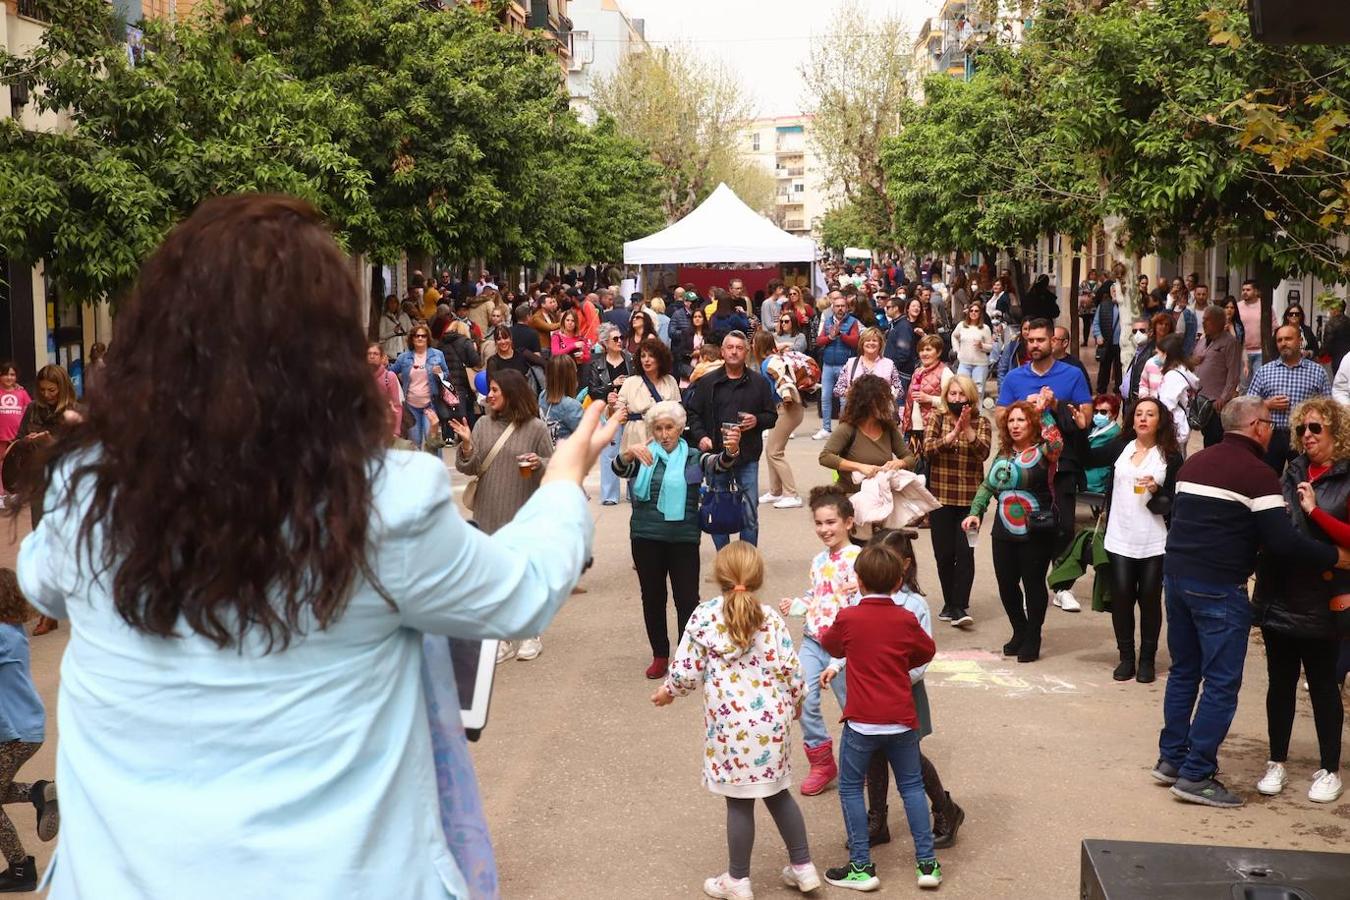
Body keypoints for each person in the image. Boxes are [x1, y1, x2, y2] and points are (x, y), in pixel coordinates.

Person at [14, 195, 620, 899]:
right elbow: (520, 591)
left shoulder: (90, 490)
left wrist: (111, 443)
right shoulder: (384, 500)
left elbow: (42, 581)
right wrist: (564, 483)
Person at [1153, 396, 1349, 808]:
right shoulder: (1258, 474)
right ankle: (1196, 773)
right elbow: (1280, 540)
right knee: (1221, 684)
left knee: (1185, 673)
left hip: (1178, 579)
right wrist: (1333, 556)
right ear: (1257, 427)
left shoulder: (1195, 463)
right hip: (1219, 587)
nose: (1292, 434)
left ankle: (1172, 760)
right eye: (1280, 425)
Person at [653, 542, 819, 900]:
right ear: (757, 577)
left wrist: (669, 691)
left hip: (731, 731)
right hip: (772, 724)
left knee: (740, 801)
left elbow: (685, 671)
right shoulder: (770, 617)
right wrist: (798, 701)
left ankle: (738, 879)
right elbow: (791, 667)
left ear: (718, 576)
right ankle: (804, 869)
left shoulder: (703, 616)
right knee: (778, 794)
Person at [818, 544, 941, 893]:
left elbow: (832, 645)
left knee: (852, 789)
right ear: (898, 581)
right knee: (913, 788)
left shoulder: (849, 616)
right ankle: (927, 863)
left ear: (857, 580)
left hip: (861, 721)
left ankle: (861, 865)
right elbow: (926, 650)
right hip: (902, 718)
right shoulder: (905, 618)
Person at [1252, 397, 1347, 804]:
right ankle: (1277, 760)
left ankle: (1329, 768)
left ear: (1337, 434)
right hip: (1281, 591)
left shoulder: (1345, 479)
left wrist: (1313, 511)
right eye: (1302, 429)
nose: (1306, 436)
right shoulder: (1290, 471)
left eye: (1315, 429)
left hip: (1325, 597)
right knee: (1280, 683)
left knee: (1325, 686)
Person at [616, 402, 738, 679]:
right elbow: (619, 470)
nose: (663, 434)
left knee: (687, 600)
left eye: (669, 427)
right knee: (653, 598)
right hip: (645, 537)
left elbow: (719, 464)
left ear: (680, 428)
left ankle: (687, 656)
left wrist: (731, 450)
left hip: (683, 538)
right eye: (657, 428)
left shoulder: (693, 456)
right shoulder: (645, 455)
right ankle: (660, 655)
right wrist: (627, 454)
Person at [451, 369, 555, 662]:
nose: (490, 395)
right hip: (488, 512)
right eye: (490, 390)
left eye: (496, 390)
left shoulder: (535, 428)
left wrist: (539, 463)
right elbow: (470, 468)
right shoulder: (483, 424)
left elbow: (555, 467)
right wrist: (468, 444)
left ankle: (531, 634)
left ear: (512, 392)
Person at [1087, 398, 1183, 683]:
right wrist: (1079, 426)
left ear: (1160, 420)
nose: (1143, 419)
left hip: (1154, 539)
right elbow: (1087, 458)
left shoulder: (1170, 455)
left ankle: (1148, 659)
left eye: (1150, 414)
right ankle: (1126, 657)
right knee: (1122, 598)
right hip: (1120, 535)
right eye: (1138, 414)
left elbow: (1178, 499)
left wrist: (1158, 489)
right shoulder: (1121, 446)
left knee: (1150, 600)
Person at [962, 400, 1063, 663]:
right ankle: (1019, 629)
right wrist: (975, 511)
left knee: (1032, 583)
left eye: (1021, 420)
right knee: (1006, 585)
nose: (1015, 425)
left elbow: (1057, 443)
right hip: (1003, 530)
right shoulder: (1004, 453)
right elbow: (987, 485)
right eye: (1011, 421)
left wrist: (1044, 412)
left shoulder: (1044, 450)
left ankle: (1033, 635)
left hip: (1036, 528)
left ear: (1032, 423)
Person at [778, 486, 861, 797]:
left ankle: (860, 762)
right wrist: (799, 604)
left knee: (852, 707)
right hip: (814, 642)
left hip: (846, 648)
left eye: (831, 522)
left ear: (848, 523)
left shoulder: (860, 559)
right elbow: (818, 595)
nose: (824, 530)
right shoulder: (817, 560)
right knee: (802, 698)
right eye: (819, 523)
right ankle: (822, 763)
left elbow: (868, 601)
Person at [685, 331, 778, 549]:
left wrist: (757, 420)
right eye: (730, 347)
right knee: (718, 511)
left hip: (747, 457)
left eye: (739, 348)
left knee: (749, 512)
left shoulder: (759, 383)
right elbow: (692, 413)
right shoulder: (707, 382)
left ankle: (747, 561)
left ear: (746, 352)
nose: (734, 351)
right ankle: (725, 560)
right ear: (722, 351)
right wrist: (701, 437)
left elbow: (772, 416)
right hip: (716, 456)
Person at [0, 568, 58, 893]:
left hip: (14, 734)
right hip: (25, 728)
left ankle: (20, 868)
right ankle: (39, 792)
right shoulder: (13, 629)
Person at [922, 376, 991, 626]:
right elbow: (927, 450)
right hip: (940, 498)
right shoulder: (936, 418)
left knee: (964, 552)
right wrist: (951, 435)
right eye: (952, 394)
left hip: (970, 501)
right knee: (944, 553)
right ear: (945, 396)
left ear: (971, 398)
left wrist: (968, 430)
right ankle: (949, 602)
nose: (957, 399)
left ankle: (960, 606)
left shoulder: (982, 422)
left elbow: (983, 452)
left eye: (962, 395)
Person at [820, 375, 916, 505]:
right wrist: (860, 467)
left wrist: (899, 463)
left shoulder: (889, 428)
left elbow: (909, 458)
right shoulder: (848, 428)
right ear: (866, 402)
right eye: (882, 400)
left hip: (881, 499)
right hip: (850, 498)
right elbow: (825, 457)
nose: (887, 405)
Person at [1247, 324, 1330, 473]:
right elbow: (1248, 405)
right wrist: (1266, 404)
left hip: (1303, 434)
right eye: (1279, 340)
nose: (1283, 343)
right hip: (1272, 435)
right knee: (1267, 477)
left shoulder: (1317, 372)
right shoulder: (1265, 371)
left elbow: (1327, 408)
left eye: (1288, 339)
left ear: (1299, 340)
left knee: (1303, 478)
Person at [753, 332, 805, 510]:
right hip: (788, 409)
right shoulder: (775, 358)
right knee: (771, 450)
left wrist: (786, 396)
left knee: (775, 451)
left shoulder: (769, 363)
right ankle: (776, 490)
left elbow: (783, 382)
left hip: (787, 408)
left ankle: (791, 494)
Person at [616, 337, 680, 457]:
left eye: (651, 356)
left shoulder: (670, 381)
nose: (646, 360)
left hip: (663, 435)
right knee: (636, 472)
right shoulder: (630, 382)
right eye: (643, 356)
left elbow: (678, 413)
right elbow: (617, 411)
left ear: (660, 359)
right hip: (636, 435)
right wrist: (611, 405)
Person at [1192, 305, 1242, 447]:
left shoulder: (1230, 343)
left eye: (1208, 320)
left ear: (1219, 322)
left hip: (1216, 403)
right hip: (1200, 400)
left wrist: (1223, 397)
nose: (1203, 323)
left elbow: (1233, 374)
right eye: (1203, 319)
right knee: (1205, 437)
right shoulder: (1201, 341)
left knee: (1214, 439)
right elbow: (1192, 363)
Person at [813, 293, 861, 440]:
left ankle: (843, 429)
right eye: (837, 306)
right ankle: (826, 428)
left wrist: (841, 335)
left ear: (847, 308)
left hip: (845, 365)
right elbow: (819, 341)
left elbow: (856, 341)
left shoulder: (853, 322)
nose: (840, 309)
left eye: (842, 306)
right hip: (828, 365)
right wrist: (830, 337)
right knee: (825, 397)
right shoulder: (827, 321)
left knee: (844, 399)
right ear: (832, 308)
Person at [903, 335, 954, 455]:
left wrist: (930, 399)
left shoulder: (945, 373)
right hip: (913, 428)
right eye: (921, 350)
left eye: (928, 350)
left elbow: (952, 402)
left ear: (939, 352)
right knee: (915, 468)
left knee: (928, 468)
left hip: (932, 428)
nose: (924, 353)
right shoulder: (918, 371)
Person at [834, 327, 903, 406]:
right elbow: (838, 389)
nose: (871, 343)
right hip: (856, 411)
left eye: (874, 340)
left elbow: (899, 390)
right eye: (867, 340)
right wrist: (852, 393)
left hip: (882, 412)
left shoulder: (889, 364)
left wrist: (887, 396)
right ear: (862, 343)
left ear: (880, 344)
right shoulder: (851, 363)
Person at [1154, 334, 1201, 447]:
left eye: (1158, 353)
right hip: (1181, 426)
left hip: (1172, 429)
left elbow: (1166, 406)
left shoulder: (1173, 376)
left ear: (1166, 354)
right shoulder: (1184, 371)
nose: (1156, 357)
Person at [951, 302, 993, 403]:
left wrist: (981, 346)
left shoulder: (985, 328)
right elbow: (954, 336)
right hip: (964, 363)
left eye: (976, 311)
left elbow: (990, 347)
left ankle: (977, 415)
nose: (973, 313)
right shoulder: (961, 325)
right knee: (961, 388)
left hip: (980, 364)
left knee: (978, 392)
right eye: (971, 310)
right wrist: (957, 350)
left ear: (980, 313)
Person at [1082, 394, 1123, 494]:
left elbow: (1088, 454)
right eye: (1096, 411)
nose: (1098, 415)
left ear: (1113, 415)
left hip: (1097, 480)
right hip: (1088, 473)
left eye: (1103, 412)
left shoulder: (1114, 433)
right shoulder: (1094, 428)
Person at [1237, 279, 1273, 388]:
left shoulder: (1265, 307)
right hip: (1243, 352)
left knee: (1259, 384)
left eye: (1248, 290)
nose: (1245, 292)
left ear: (1256, 291)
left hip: (1260, 352)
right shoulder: (1238, 307)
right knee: (1244, 385)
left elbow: (1274, 326)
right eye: (1243, 290)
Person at [539, 355, 584, 443]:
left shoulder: (543, 395)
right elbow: (585, 437)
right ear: (570, 377)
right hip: (567, 454)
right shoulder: (572, 406)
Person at [368, 341, 403, 439]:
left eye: (375, 354)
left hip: (385, 425)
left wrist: (396, 431)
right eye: (369, 354)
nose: (372, 356)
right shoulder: (362, 376)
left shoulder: (389, 376)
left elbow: (397, 406)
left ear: (381, 357)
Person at [0, 364, 32, 458]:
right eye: (5, 374)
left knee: (17, 463)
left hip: (18, 437)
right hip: (1, 437)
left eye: (12, 375)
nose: (9, 378)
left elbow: (29, 412)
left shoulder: (22, 392)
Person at [377, 294, 412, 361]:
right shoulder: (384, 318)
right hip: (390, 350)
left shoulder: (404, 316)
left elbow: (411, 330)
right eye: (390, 302)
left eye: (395, 302)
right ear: (387, 304)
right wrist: (393, 332)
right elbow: (381, 335)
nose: (393, 304)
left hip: (404, 347)